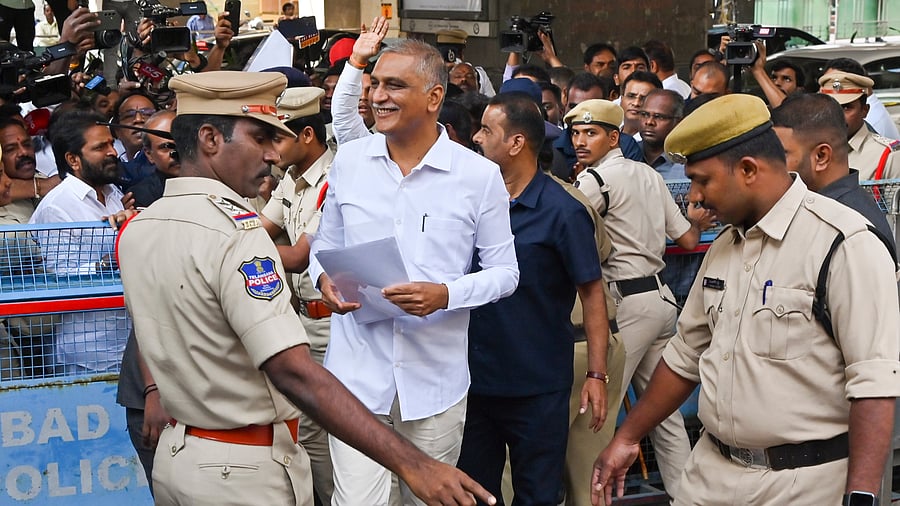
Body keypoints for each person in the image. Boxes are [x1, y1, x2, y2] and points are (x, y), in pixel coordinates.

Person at [117, 70, 497, 506]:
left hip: (179, 456)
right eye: (260, 138)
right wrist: (413, 464)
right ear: (209, 139)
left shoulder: (139, 228)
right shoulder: (238, 235)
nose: (272, 156)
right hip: (242, 470)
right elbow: (293, 372)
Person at [592, 93, 900, 506]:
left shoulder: (843, 243)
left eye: (703, 180)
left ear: (749, 169)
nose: (696, 197)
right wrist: (627, 437)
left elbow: (874, 382)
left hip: (803, 486)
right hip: (711, 476)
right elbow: (684, 357)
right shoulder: (724, 246)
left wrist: (861, 496)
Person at [307, 40, 519, 505]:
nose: (378, 96)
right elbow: (326, 243)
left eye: (395, 85)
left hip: (434, 385)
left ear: (434, 97)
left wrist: (445, 294)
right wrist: (323, 276)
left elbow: (506, 273)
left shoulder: (477, 176)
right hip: (355, 379)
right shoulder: (350, 161)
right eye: (376, 83)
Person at [457, 91, 609, 504]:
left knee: (537, 496)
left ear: (517, 143)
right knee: (476, 494)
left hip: (537, 385)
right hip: (475, 381)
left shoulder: (562, 210)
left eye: (487, 130)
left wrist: (597, 375)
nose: (477, 138)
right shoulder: (472, 203)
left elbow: (592, 295)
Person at [568, 99, 714, 499]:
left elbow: (570, 241)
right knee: (661, 416)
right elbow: (687, 238)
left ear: (613, 137)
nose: (580, 140)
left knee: (598, 413)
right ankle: (688, 498)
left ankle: (591, 498)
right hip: (661, 300)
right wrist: (696, 221)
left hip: (626, 303)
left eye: (591, 132)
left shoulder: (594, 182)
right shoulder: (648, 175)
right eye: (576, 133)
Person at [259, 86, 335, 505]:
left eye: (278, 137)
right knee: (308, 428)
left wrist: (233, 246)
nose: (271, 149)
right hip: (302, 320)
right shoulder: (291, 178)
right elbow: (261, 229)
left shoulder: (332, 178)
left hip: (332, 324)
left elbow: (299, 257)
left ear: (307, 135)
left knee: (323, 426)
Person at [30, 110, 134, 375]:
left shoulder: (112, 193)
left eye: (111, 143)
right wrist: (110, 261)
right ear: (73, 159)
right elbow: (60, 278)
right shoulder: (57, 206)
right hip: (88, 353)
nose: (112, 151)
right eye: (100, 147)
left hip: (127, 342)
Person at [771, 93, 895, 251]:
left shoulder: (849, 229)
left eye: (782, 153)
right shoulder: (830, 210)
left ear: (821, 157)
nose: (772, 163)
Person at [818, 70, 900, 181]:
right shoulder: (813, 150)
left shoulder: (887, 156)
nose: (837, 116)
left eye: (846, 108)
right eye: (830, 108)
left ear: (865, 110)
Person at [639, 89, 685, 180]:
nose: (649, 122)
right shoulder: (626, 153)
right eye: (645, 114)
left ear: (678, 122)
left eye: (659, 117)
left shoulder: (685, 164)